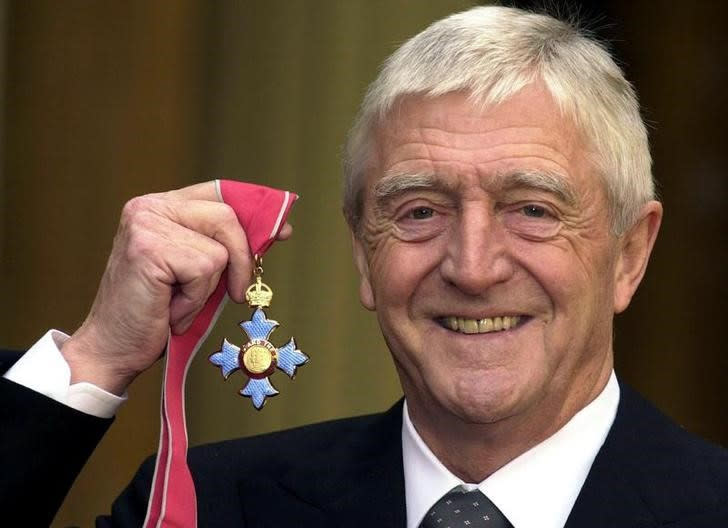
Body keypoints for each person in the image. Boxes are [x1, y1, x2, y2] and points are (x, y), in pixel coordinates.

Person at [2, 5, 726, 527]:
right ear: (362, 253)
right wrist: (98, 358)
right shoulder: (218, 504)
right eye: (419, 211)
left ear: (630, 254)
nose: (472, 268)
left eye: (532, 209)